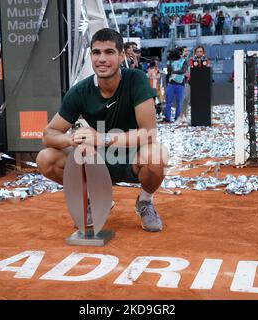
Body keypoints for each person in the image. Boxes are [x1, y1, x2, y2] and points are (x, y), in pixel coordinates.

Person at [36, 28, 168, 232]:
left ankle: (144, 202)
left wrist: (101, 138)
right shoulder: (80, 91)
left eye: (109, 52)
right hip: (96, 161)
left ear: (121, 55)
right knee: (46, 158)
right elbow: (48, 134)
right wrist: (74, 139)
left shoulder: (136, 79)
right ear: (90, 56)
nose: (102, 59)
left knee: (157, 155)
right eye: (96, 52)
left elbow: (148, 133)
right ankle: (95, 197)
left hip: (131, 157)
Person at [164, 47, 188, 123]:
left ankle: (177, 118)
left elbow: (183, 71)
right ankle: (167, 118)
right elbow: (168, 71)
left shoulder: (184, 61)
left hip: (180, 83)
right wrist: (168, 62)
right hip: (171, 83)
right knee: (168, 101)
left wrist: (173, 72)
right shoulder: (171, 61)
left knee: (179, 102)